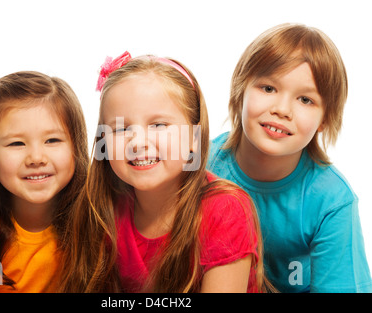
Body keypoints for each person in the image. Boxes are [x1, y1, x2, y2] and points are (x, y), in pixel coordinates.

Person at [58, 52, 273, 293]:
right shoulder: (102, 208)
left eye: (158, 125)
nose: (138, 142)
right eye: (121, 128)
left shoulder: (225, 209)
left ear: (193, 137)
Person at [207, 23, 372, 293]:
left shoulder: (331, 200)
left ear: (324, 119)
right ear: (240, 91)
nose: (282, 109)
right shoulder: (204, 166)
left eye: (305, 100)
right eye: (268, 88)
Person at [0, 71, 88, 292]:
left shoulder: (95, 222)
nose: (36, 158)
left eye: (52, 140)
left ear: (76, 147)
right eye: (16, 144)